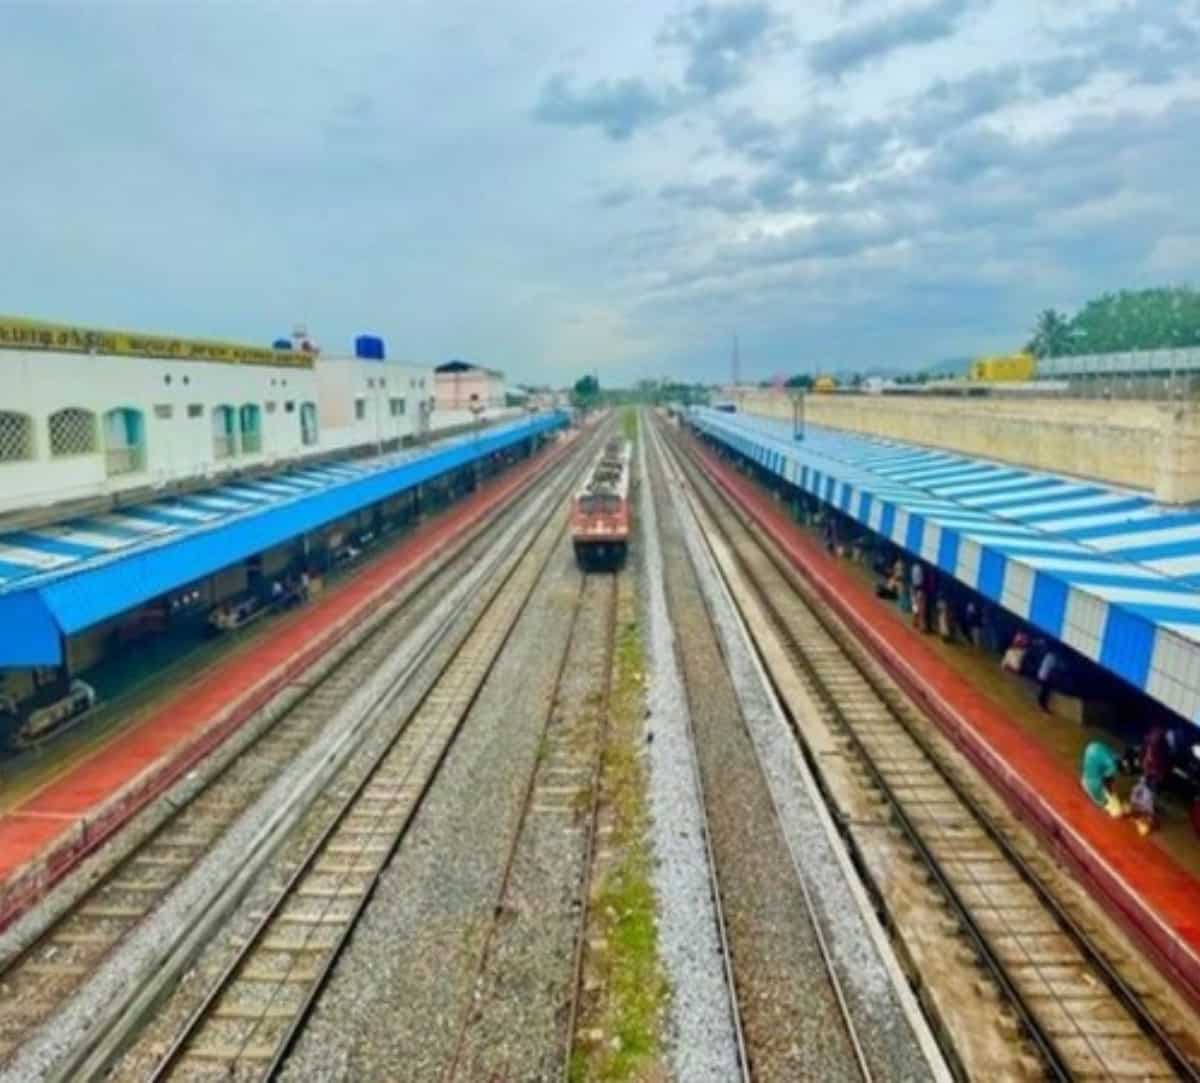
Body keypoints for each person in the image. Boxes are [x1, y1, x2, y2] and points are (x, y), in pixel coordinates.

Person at [1081, 740, 1125, 817]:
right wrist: (1112, 796)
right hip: (1093, 787)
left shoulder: (1108, 753)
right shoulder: (1113, 766)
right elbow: (1108, 783)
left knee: (1106, 779)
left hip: (1084, 779)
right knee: (1117, 813)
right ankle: (1101, 805)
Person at [910, 562, 925, 630]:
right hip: (918, 588)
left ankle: (916, 621)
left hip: (916, 588)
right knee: (919, 607)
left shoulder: (915, 567)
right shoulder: (919, 568)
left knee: (916, 606)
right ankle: (919, 624)